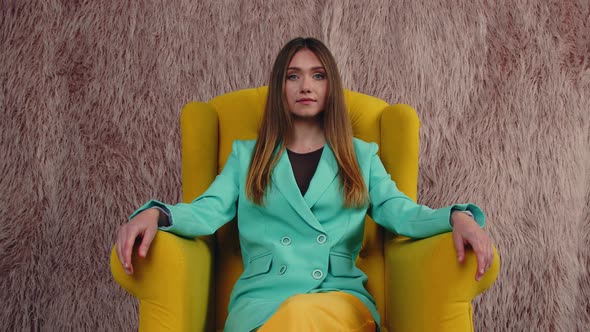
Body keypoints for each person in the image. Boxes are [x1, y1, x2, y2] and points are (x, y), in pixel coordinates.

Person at [116, 37, 494, 332]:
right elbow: (205, 211)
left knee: (301, 314)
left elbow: (403, 213)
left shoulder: (360, 156)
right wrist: (157, 212)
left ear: (330, 86)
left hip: (339, 302)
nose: (305, 85)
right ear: (280, 87)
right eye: (293, 75)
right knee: (292, 316)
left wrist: (457, 217)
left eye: (318, 75)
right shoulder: (247, 156)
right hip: (261, 304)